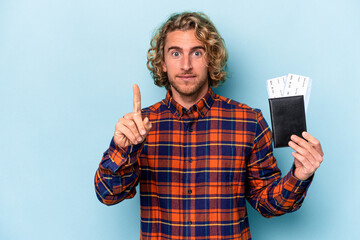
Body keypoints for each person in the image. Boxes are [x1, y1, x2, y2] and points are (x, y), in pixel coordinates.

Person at [94, 12, 324, 240]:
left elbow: (268, 204)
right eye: (175, 53)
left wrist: (299, 175)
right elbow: (107, 194)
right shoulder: (139, 127)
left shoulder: (249, 121)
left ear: (211, 59)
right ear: (163, 63)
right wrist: (121, 149)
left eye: (196, 52)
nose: (186, 65)